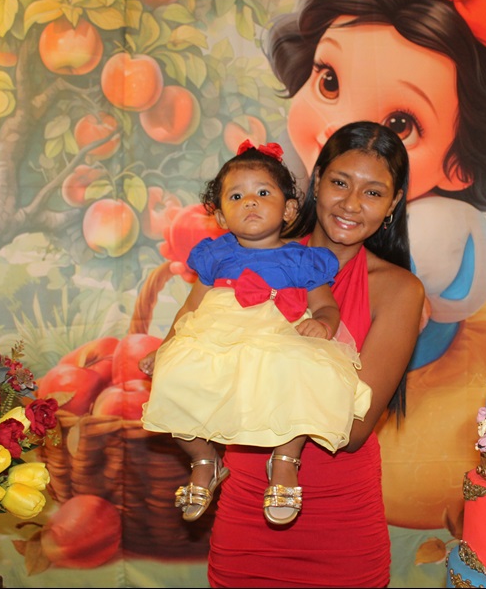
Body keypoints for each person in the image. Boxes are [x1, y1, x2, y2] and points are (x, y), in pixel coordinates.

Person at [266, 0, 486, 367]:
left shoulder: (432, 236)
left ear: (461, 164)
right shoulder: (291, 182)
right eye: (330, 82)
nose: (342, 132)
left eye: (400, 125)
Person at [206, 121, 425, 587]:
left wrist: (250, 379)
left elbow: (353, 429)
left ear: (393, 204)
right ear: (317, 181)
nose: (351, 204)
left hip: (340, 524)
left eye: (373, 192)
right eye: (340, 183)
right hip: (247, 508)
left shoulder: (399, 290)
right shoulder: (250, 259)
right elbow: (205, 380)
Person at [140, 140, 372, 526]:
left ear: (289, 209)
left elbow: (327, 306)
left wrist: (323, 324)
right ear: (221, 215)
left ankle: (285, 460)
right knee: (173, 379)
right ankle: (204, 460)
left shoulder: (303, 259)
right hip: (216, 337)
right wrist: (164, 349)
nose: (250, 201)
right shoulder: (215, 255)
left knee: (305, 375)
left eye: (263, 193)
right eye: (237, 196)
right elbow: (189, 309)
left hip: (277, 338)